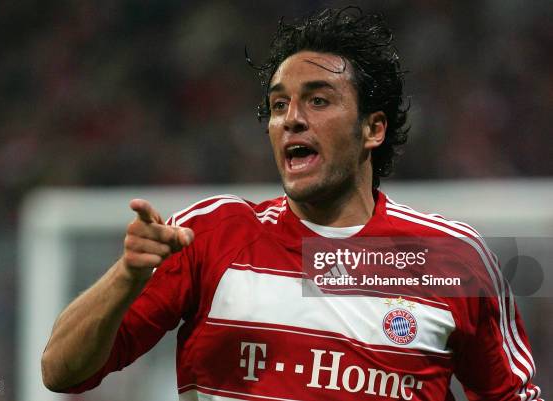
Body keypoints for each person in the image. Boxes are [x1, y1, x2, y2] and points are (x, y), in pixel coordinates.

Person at [41, 7, 542, 401]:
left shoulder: (450, 259)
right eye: (279, 105)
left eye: (318, 100)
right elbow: (61, 371)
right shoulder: (210, 235)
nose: (291, 119)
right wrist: (126, 276)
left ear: (373, 128)